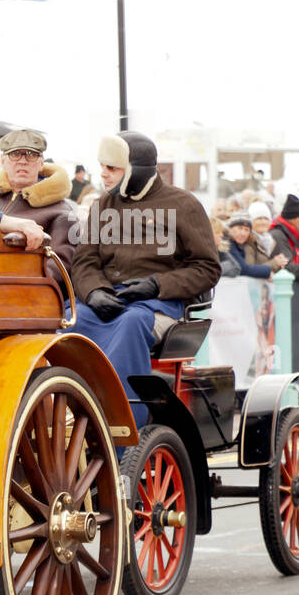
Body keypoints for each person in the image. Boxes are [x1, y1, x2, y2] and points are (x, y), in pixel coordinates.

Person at [69, 131, 221, 424]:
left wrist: (156, 285)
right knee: (68, 322)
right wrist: (94, 292)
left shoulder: (183, 205)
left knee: (130, 323)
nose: (103, 174)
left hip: (160, 305)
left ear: (136, 170)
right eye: (102, 166)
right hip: (109, 299)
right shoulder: (103, 205)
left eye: (112, 168)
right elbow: (85, 261)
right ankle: (61, 414)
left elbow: (207, 268)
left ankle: (121, 426)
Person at [0, 128, 77, 270]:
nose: (22, 161)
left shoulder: (62, 213)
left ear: (41, 163)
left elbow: (59, 268)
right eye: (15, 154)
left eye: (31, 155)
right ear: (3, 161)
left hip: (25, 287)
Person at [223, 209, 288, 278]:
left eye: (246, 230)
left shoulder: (242, 244)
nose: (243, 233)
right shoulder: (227, 244)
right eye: (240, 228)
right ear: (230, 228)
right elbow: (243, 269)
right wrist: (269, 270)